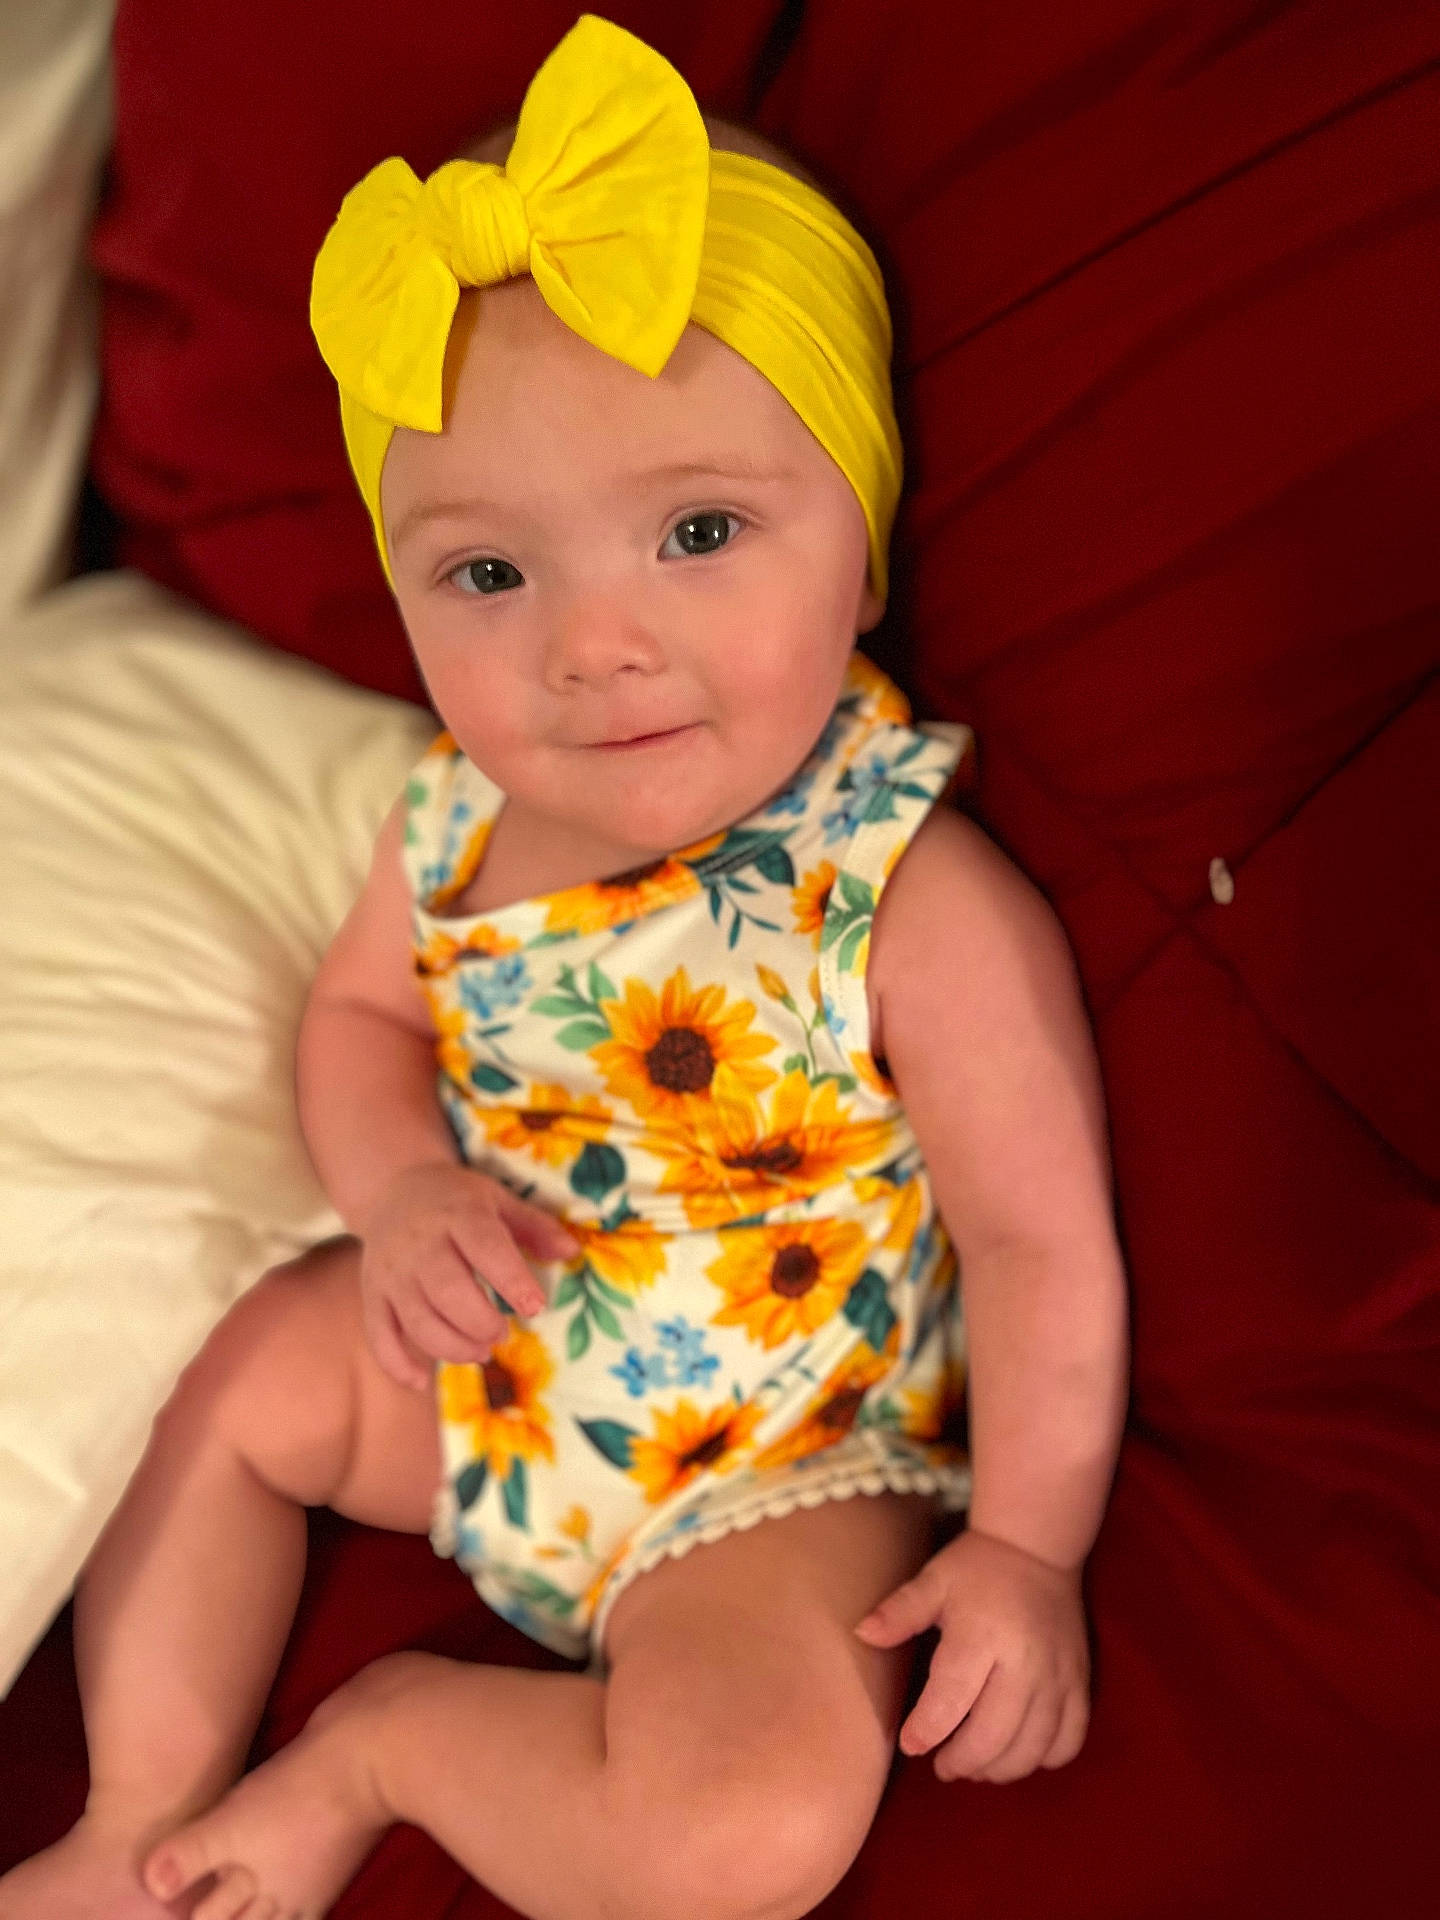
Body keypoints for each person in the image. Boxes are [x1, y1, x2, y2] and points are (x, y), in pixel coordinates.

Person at [0, 16, 1128, 1920]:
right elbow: (363, 1019)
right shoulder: (453, 822)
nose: (592, 646)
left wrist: (1029, 1547)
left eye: (697, 532)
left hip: (778, 1467)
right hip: (489, 1369)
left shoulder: (902, 887)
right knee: (210, 1383)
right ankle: (141, 1814)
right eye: (489, 575)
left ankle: (384, 1745)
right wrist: (399, 1190)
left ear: (861, 552)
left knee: (740, 1836)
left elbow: (1038, 1246)